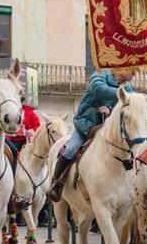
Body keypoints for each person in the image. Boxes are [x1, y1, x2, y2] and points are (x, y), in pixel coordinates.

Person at [46, 67, 134, 203]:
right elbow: (98, 90)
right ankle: (55, 184)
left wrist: (110, 109)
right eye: (132, 69)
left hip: (107, 129)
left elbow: (127, 106)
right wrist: (122, 94)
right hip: (87, 126)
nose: (135, 72)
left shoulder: (127, 87)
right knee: (70, 149)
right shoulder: (101, 74)